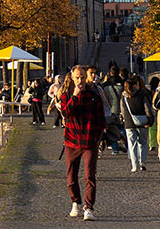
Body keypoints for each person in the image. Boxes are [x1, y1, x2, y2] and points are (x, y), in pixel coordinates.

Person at [60, 65, 107, 221]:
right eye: (77, 77)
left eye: (82, 77)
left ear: (86, 77)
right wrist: (74, 96)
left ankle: (88, 207)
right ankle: (75, 202)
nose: (80, 80)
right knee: (71, 177)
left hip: (89, 141)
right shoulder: (66, 94)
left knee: (90, 175)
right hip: (71, 141)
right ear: (72, 78)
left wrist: (96, 137)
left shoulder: (93, 96)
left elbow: (101, 120)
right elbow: (66, 113)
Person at [120, 74, 152, 172]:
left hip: (129, 123)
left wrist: (126, 120)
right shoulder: (142, 95)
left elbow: (123, 111)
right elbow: (147, 109)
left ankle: (134, 165)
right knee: (143, 143)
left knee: (131, 144)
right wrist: (150, 121)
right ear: (135, 85)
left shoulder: (124, 97)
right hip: (142, 121)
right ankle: (142, 162)